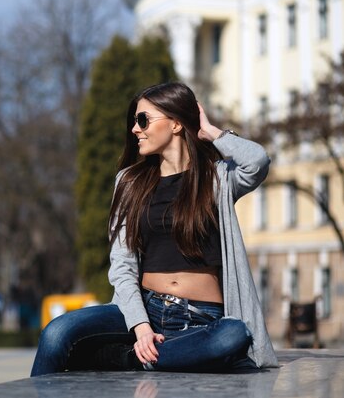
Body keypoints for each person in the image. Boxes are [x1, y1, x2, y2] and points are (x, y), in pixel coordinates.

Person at [30, 82, 278, 377]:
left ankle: (130, 360)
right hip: (140, 310)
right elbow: (122, 264)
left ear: (175, 123)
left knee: (233, 336)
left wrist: (210, 132)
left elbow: (257, 162)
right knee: (56, 333)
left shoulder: (216, 180)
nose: (135, 129)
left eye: (143, 119)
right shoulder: (130, 182)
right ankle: (162, 354)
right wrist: (141, 326)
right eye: (134, 121)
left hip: (202, 321)